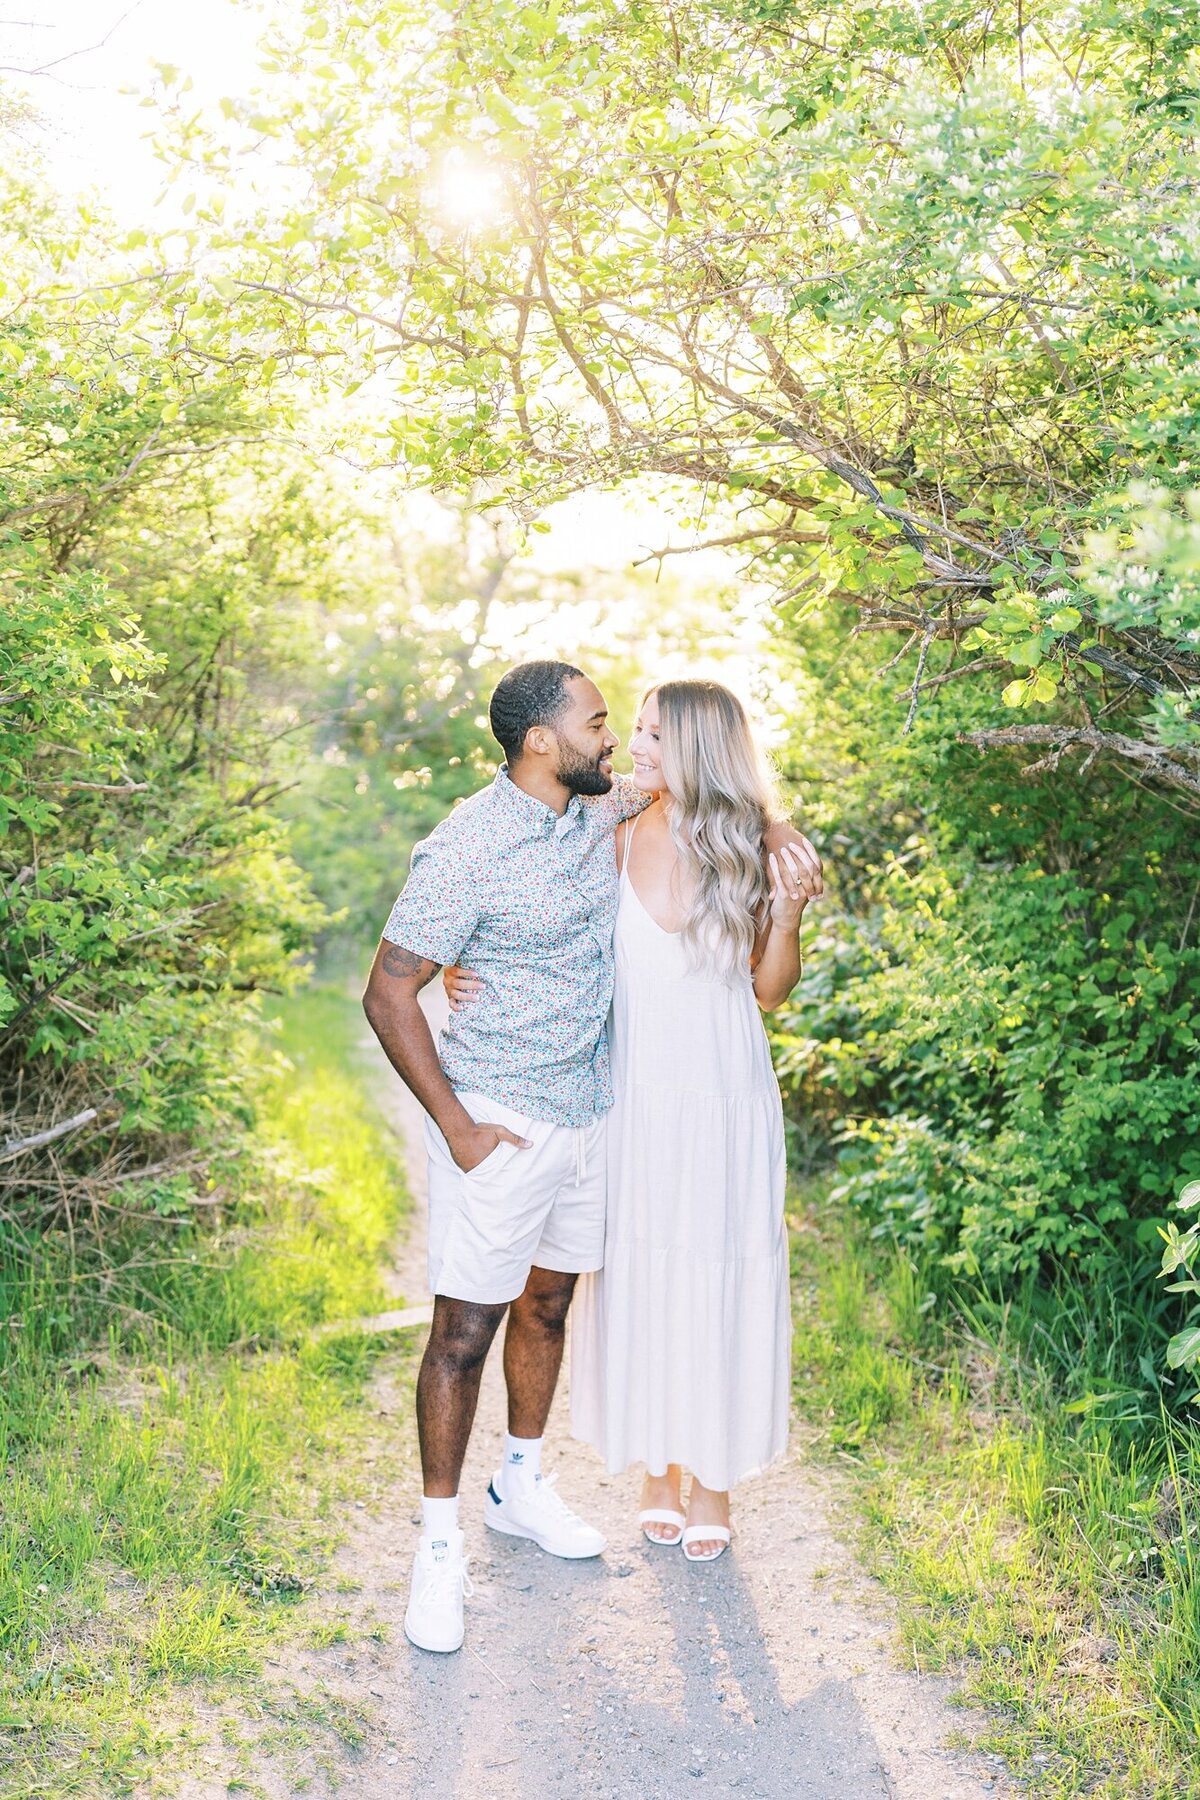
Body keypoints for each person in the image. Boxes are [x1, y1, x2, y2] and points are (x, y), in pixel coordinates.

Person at [449, 679, 823, 1563]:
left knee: (723, 1278)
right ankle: (659, 1472)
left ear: (698, 746)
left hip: (727, 1097)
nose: (635, 745)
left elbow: (769, 991)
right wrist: (467, 968)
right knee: (648, 1279)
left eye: (654, 732)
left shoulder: (754, 850)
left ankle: (715, 1481)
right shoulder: (609, 831)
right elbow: (522, 895)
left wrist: (791, 904)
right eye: (635, 730)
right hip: (633, 1097)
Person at [362, 660, 650, 1655]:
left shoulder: (594, 810)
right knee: (462, 1333)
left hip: (587, 1114)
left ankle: (520, 1482)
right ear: (541, 741)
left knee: (550, 1303)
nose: (611, 738)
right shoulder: (466, 849)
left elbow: (699, 779)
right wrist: (458, 1128)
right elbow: (389, 993)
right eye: (598, 722)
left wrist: (776, 832)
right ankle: (437, 1546)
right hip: (498, 1123)